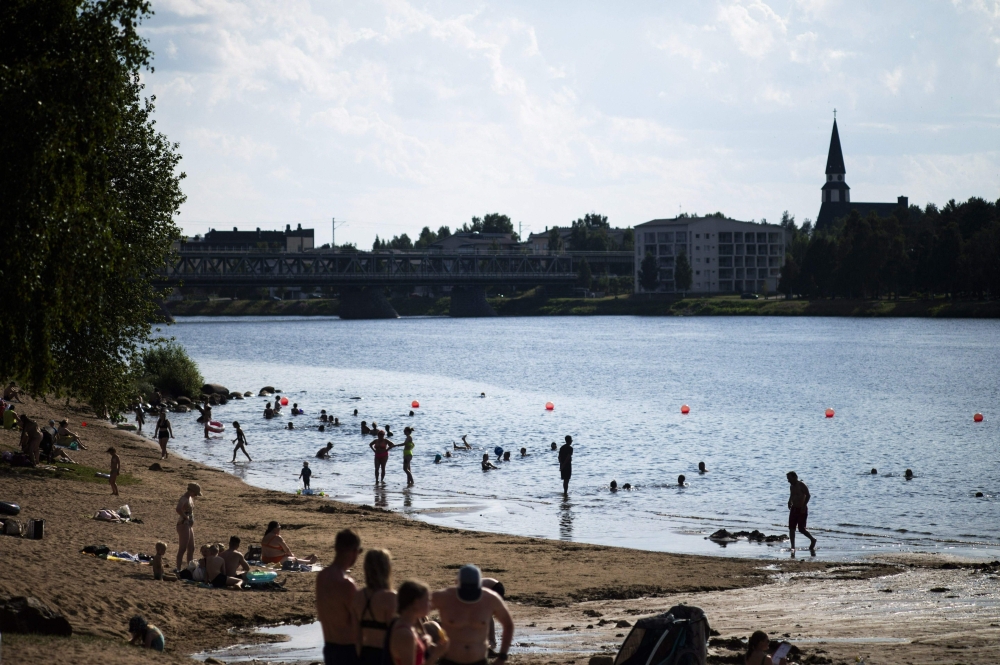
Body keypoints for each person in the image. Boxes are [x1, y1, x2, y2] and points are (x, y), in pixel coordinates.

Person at [432, 565, 513, 665]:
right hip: (450, 660)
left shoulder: (490, 598)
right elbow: (416, 612)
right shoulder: (443, 597)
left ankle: (492, 641)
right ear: (457, 583)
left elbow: (508, 624)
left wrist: (502, 656)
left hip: (479, 661)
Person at [317, 528, 363, 665]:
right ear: (354, 551)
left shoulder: (322, 577)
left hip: (329, 647)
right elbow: (357, 624)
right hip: (348, 650)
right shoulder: (346, 584)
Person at [352, 549, 397, 665]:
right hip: (386, 656)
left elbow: (357, 637)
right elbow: (395, 635)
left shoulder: (358, 596)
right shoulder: (391, 597)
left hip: (365, 655)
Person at [390, 580, 449, 665]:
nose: (430, 604)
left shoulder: (407, 626)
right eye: (428, 600)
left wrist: (430, 644)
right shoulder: (405, 634)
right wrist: (436, 655)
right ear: (416, 603)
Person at [786, 471, 817, 553]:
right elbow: (792, 495)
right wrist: (789, 501)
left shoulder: (801, 485)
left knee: (801, 529)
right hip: (794, 508)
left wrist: (804, 505)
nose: (788, 481)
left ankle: (813, 539)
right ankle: (792, 547)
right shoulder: (791, 486)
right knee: (791, 528)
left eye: (789, 479)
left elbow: (808, 495)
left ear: (795, 477)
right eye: (788, 479)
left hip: (801, 508)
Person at [175, 483, 201, 571]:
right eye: (195, 493)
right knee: (182, 548)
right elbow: (178, 509)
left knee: (191, 548)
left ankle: (190, 569)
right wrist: (186, 517)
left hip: (189, 525)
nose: (196, 495)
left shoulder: (190, 498)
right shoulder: (184, 499)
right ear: (191, 491)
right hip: (183, 524)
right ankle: (178, 568)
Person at [481, 578, 506, 655]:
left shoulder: (467, 590)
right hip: (492, 588)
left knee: (487, 613)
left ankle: (492, 640)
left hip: (496, 587)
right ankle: (490, 640)